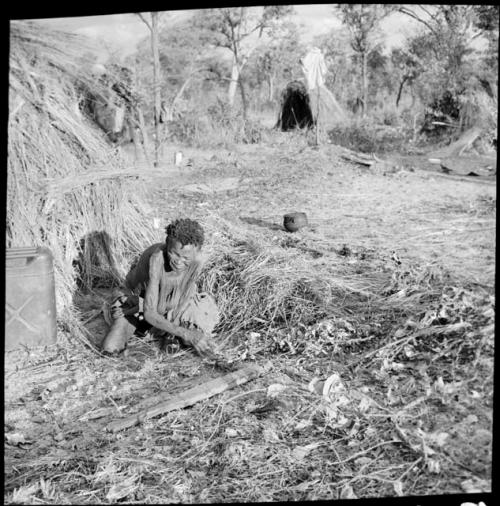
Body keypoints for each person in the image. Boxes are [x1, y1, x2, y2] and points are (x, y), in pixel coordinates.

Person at [101, 218, 219, 357]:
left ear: (197, 252)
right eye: (174, 253)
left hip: (170, 305)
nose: (178, 262)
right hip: (138, 303)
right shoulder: (156, 259)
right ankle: (156, 329)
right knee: (110, 348)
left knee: (198, 329)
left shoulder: (198, 261)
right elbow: (149, 313)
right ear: (167, 244)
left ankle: (167, 330)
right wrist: (185, 333)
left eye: (186, 258)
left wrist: (174, 325)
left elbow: (187, 292)